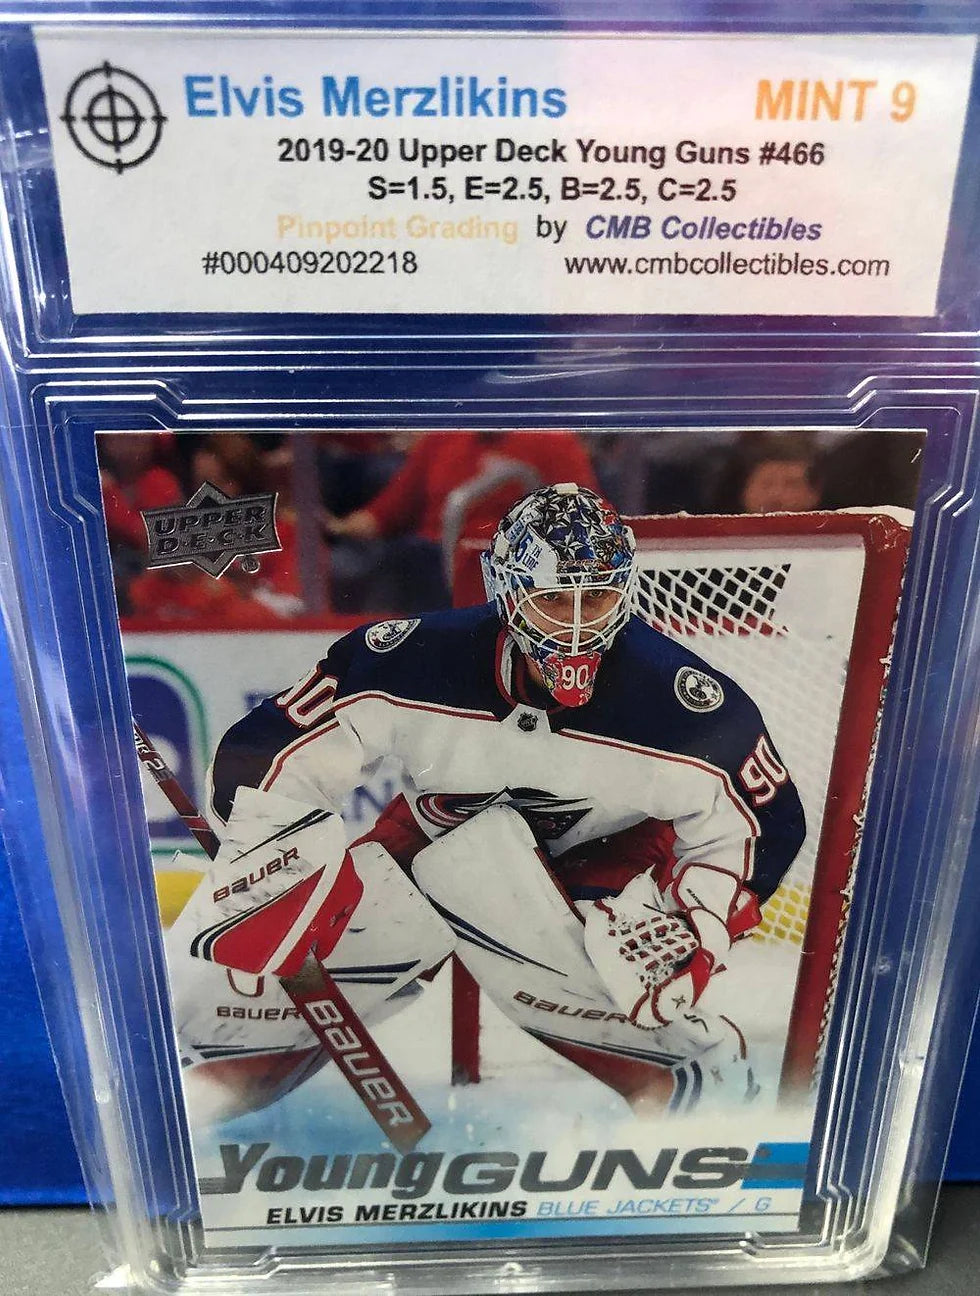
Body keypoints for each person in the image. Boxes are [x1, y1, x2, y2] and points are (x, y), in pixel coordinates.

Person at [181, 484, 805, 1115]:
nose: (578, 624)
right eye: (554, 598)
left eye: (596, 597)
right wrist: (273, 866)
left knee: (595, 968)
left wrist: (696, 922)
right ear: (507, 593)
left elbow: (765, 822)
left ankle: (686, 1073)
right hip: (438, 831)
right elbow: (268, 753)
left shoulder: (681, 703)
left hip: (609, 855)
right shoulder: (413, 660)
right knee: (320, 960)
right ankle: (222, 1073)